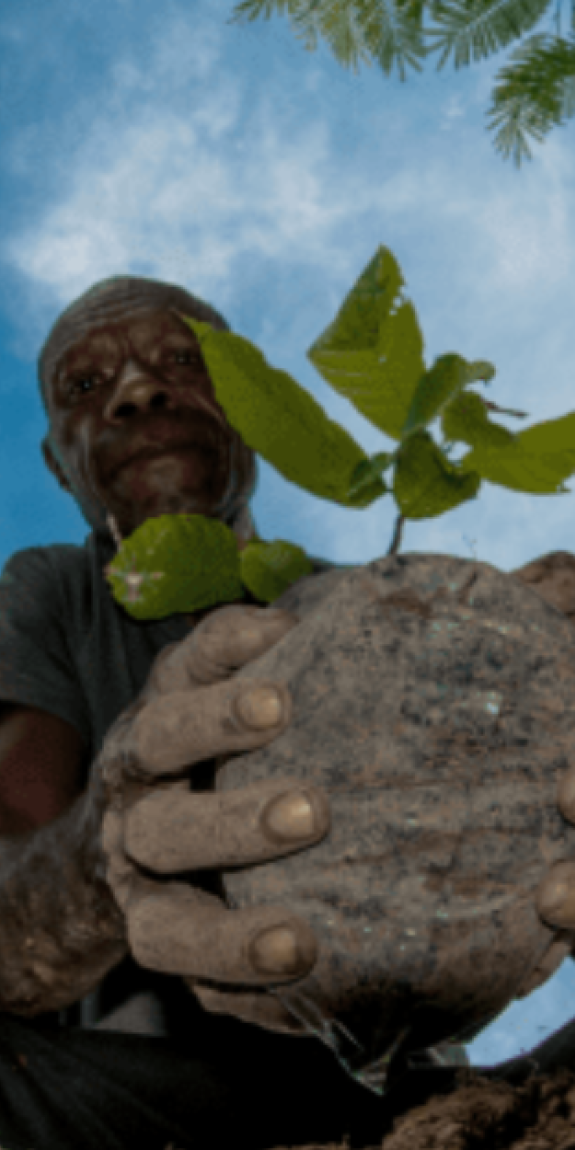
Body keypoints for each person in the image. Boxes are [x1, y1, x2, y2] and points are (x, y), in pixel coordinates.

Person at [0, 275, 571, 1150]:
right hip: (136, 1102)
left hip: (412, 1091)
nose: (138, 390)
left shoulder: (368, 609)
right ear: (56, 462)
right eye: (85, 384)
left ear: (250, 407)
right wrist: (109, 847)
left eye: (181, 360)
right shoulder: (54, 593)